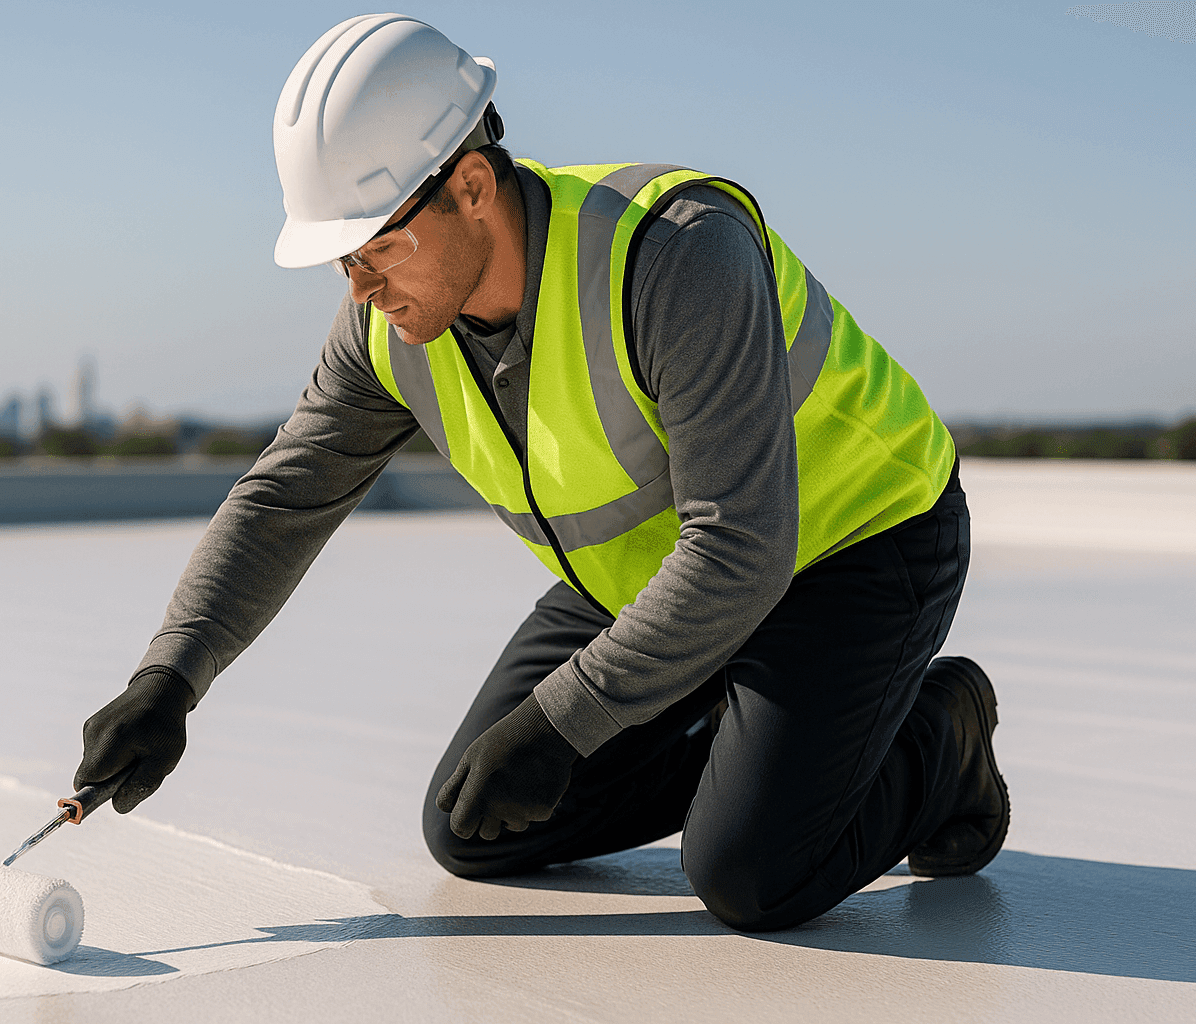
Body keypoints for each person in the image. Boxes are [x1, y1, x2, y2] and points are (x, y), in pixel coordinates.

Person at [73, 13, 1010, 932]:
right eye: (341, 260)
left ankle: (942, 734)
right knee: (473, 823)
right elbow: (283, 497)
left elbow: (743, 544)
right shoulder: (385, 328)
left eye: (377, 249)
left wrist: (569, 718)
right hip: (648, 576)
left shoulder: (675, 252)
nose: (359, 289)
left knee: (750, 873)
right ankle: (766, 747)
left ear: (472, 186)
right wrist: (170, 678)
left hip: (848, 544)